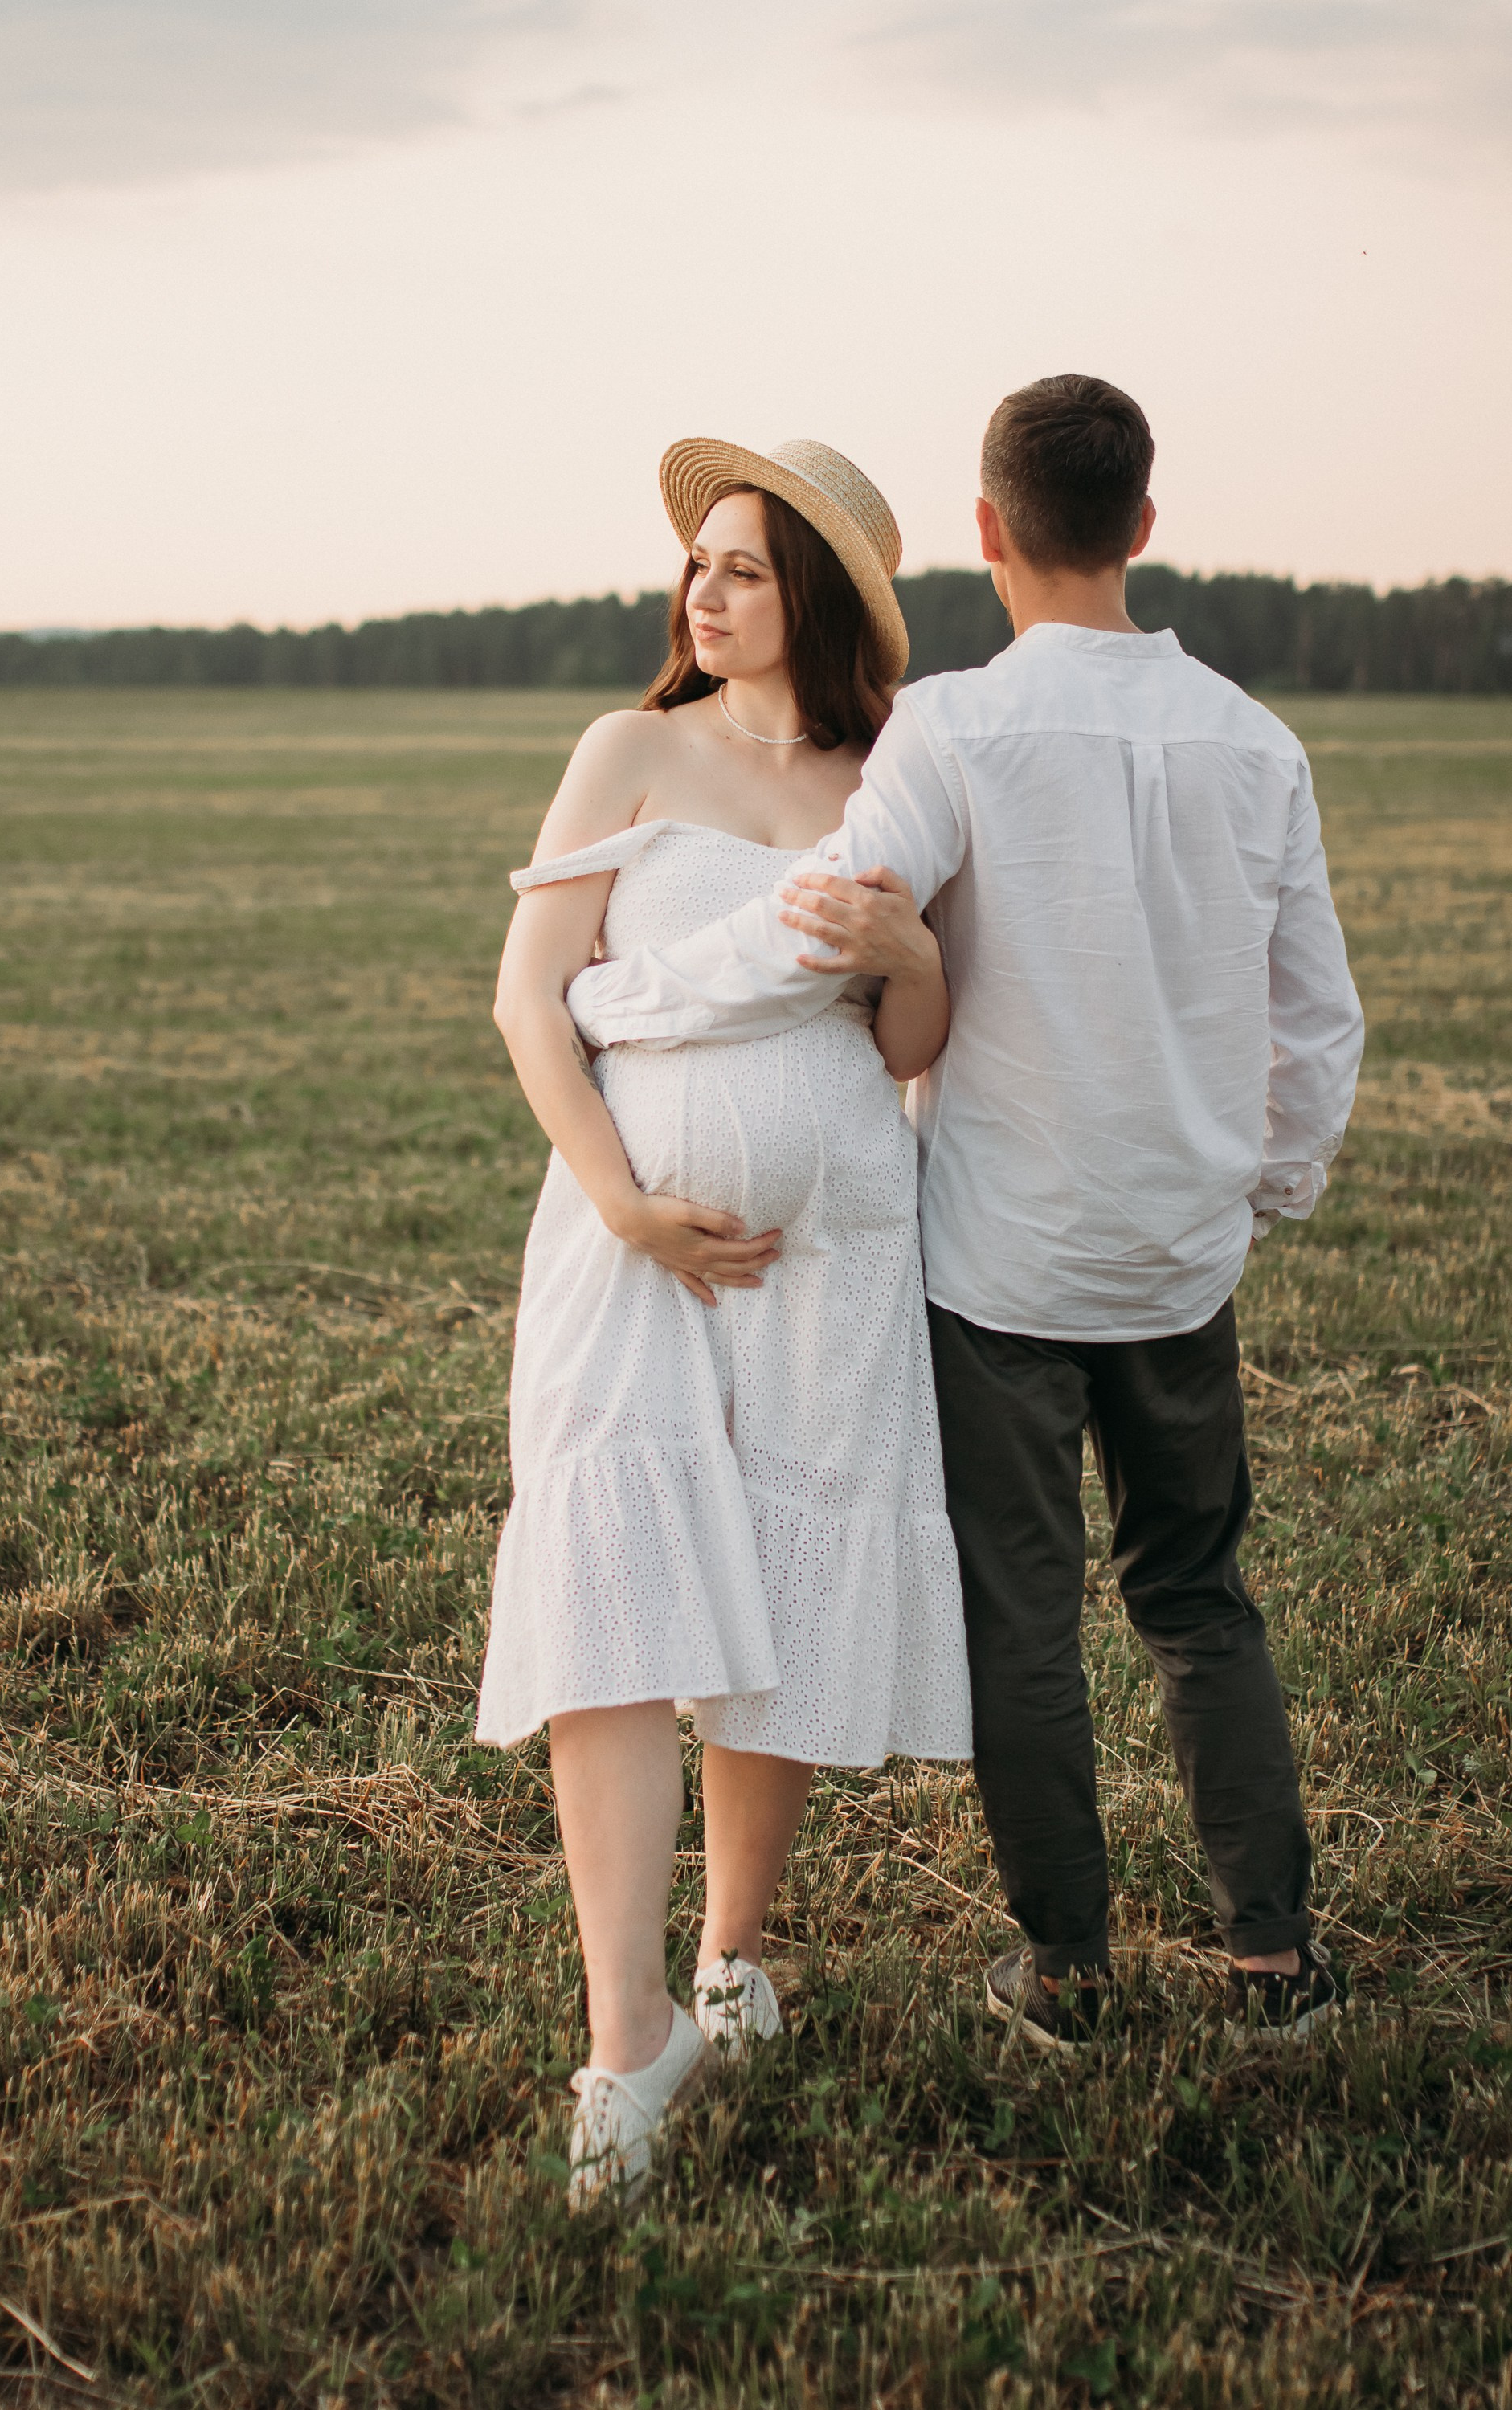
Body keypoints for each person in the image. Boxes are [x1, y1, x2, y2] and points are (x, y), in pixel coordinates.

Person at [568, 377, 1366, 2053]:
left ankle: (1067, 1970)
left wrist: (622, 998)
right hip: (1181, 1263)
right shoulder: (1256, 743)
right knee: (1200, 1598)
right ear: (1143, 526)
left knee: (1027, 1615)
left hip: (1000, 1262)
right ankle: (1274, 1960)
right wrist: (1267, 1187)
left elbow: (819, 918)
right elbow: (1316, 1022)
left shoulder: (952, 728)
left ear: (990, 531)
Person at [480, 438, 972, 2203]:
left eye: (746, 566)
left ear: (815, 597)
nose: (705, 589)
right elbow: (529, 998)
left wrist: (913, 959)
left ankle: (731, 1957)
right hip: (627, 1246)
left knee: (777, 1586)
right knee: (608, 1574)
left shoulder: (891, 776)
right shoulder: (629, 749)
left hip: (831, 1253)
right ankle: (625, 2034)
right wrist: (622, 1201)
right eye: (699, 560)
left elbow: (911, 1043)